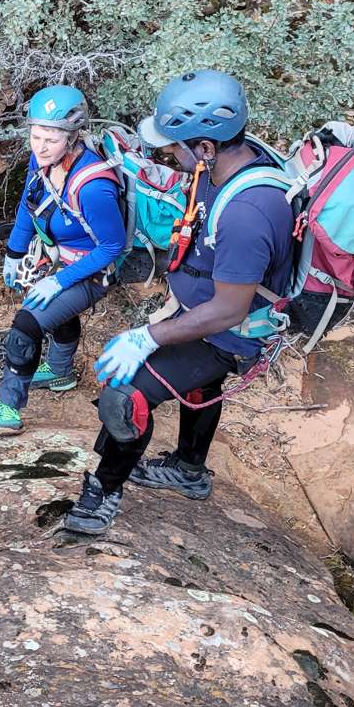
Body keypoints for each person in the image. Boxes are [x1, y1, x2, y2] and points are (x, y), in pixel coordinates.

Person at [61, 69, 297, 537]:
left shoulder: (248, 213)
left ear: (205, 147)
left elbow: (229, 311)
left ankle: (101, 497)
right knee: (194, 382)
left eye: (174, 146)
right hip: (204, 313)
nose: (167, 153)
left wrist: (148, 336)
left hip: (230, 333)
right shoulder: (223, 166)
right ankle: (189, 469)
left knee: (125, 394)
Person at [0, 84, 126, 437]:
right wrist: (14, 253)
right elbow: (29, 204)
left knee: (27, 324)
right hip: (59, 254)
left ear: (72, 138)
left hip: (93, 269)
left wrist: (59, 280)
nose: (40, 147)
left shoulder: (93, 186)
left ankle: (8, 403)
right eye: (35, 137)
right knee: (55, 310)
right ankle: (60, 372)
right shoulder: (42, 162)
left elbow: (111, 247)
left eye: (50, 140)